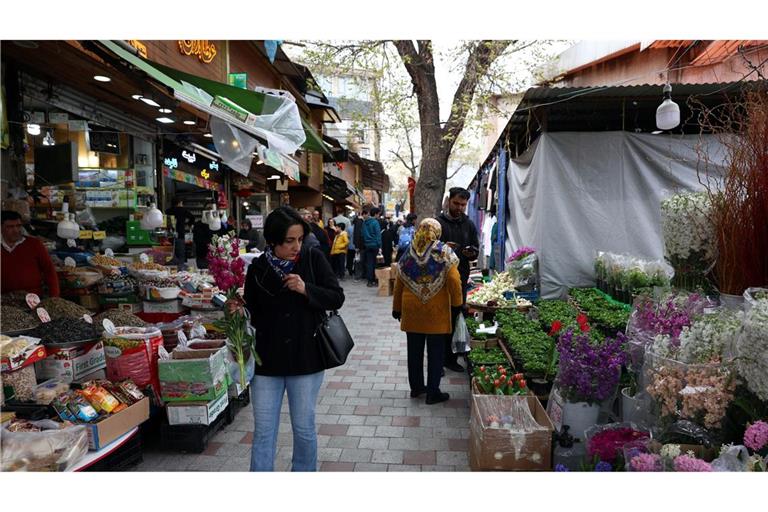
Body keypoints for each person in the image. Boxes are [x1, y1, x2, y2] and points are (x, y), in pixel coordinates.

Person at [242, 206, 344, 471]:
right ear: (273, 240)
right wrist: (238, 309)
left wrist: (306, 289)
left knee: (304, 429)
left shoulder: (312, 258)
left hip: (305, 358)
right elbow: (251, 310)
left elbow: (336, 296)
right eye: (289, 241)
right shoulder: (257, 268)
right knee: (264, 432)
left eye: (299, 239)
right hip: (267, 361)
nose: (296, 246)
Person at [392, 218, 462, 405]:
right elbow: (454, 280)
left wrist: (396, 308)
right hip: (436, 313)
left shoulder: (409, 252)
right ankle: (433, 392)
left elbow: (399, 282)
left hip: (412, 312)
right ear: (437, 232)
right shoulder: (444, 252)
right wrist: (457, 303)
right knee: (436, 353)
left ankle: (416, 388)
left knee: (414, 352)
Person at [437, 187, 480, 373]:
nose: (460, 208)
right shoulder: (438, 223)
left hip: (460, 277)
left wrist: (471, 253)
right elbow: (429, 250)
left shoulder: (469, 225)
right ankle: (437, 357)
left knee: (456, 315)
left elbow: (475, 251)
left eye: (463, 205)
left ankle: (451, 358)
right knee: (440, 317)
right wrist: (443, 248)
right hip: (439, 279)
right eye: (456, 203)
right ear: (448, 201)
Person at [1, 210, 60, 297]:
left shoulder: (34, 244)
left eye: (18, 226)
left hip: (33, 298)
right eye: (10, 227)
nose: (16, 230)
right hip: (4, 299)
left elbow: (49, 270)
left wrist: (55, 297)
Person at [165, 196, 195, 269]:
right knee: (181, 253)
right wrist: (189, 225)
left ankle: (171, 269)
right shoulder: (183, 210)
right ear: (179, 203)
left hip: (169, 235)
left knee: (171, 253)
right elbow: (192, 217)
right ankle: (181, 269)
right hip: (180, 233)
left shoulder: (168, 211)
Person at [361, 206, 382, 287]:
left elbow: (362, 234)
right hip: (375, 245)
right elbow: (378, 235)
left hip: (367, 245)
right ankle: (375, 280)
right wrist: (380, 246)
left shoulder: (364, 222)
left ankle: (369, 281)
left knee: (369, 263)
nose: (379, 216)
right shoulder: (375, 222)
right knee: (376, 263)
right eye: (378, 214)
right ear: (376, 214)